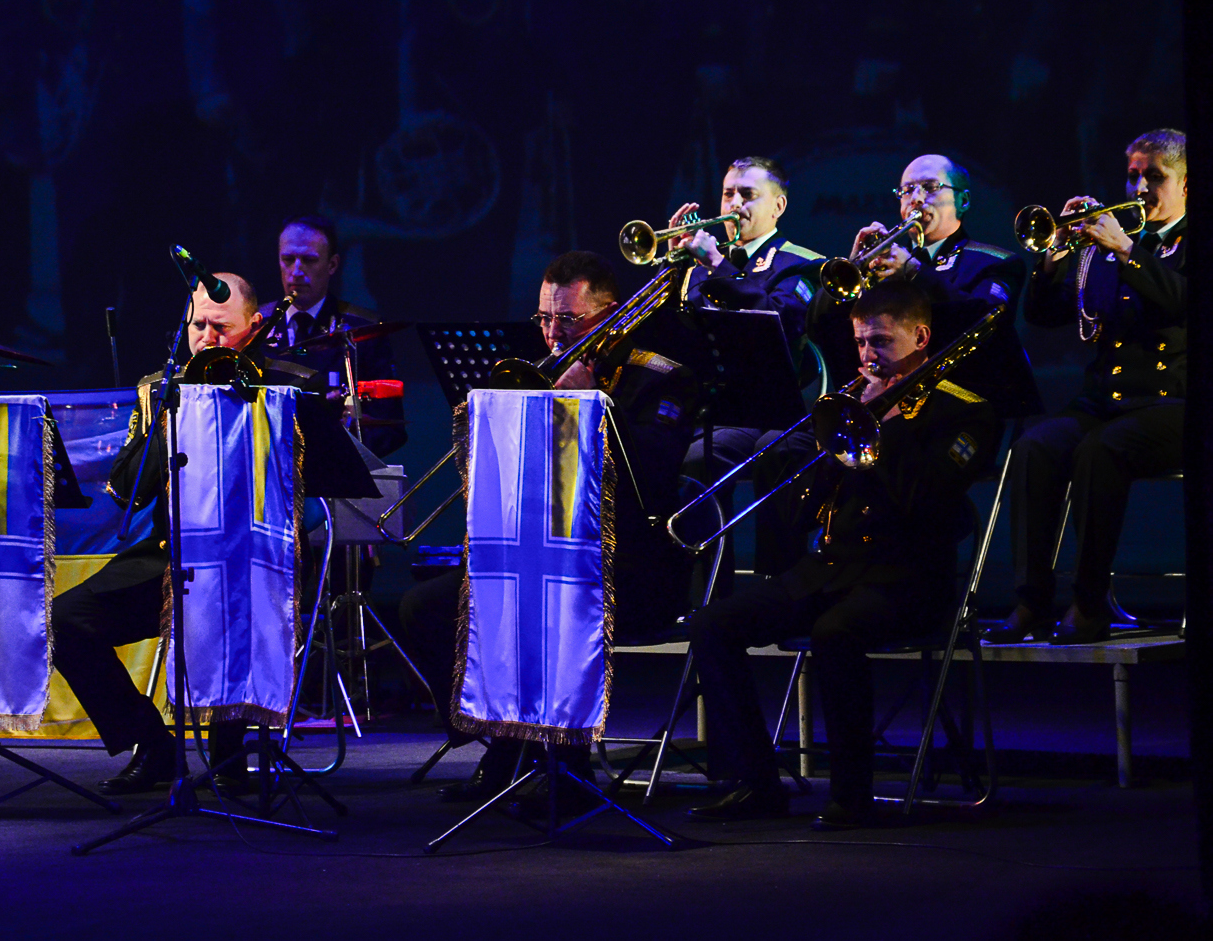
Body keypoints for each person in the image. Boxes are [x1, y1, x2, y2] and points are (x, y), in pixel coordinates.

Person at [686, 282, 999, 829]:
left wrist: (888, 428)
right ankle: (756, 783)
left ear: (921, 336)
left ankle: (851, 795)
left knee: (835, 632)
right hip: (832, 568)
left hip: (908, 577)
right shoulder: (850, 403)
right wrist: (835, 445)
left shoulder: (965, 411)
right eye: (860, 343)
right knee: (713, 624)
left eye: (881, 341)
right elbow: (801, 514)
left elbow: (926, 499)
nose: (868, 356)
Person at [399, 250, 699, 801]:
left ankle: (562, 768)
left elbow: (650, 482)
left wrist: (585, 407)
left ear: (610, 314)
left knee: (544, 609)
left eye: (569, 319)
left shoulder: (658, 378)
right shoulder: (539, 372)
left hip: (627, 565)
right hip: (538, 557)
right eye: (545, 318)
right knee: (425, 608)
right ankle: (502, 741)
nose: (553, 334)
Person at [52, 272, 314, 795]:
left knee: (234, 600)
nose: (207, 337)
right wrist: (175, 413)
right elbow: (127, 489)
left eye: (221, 327)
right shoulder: (159, 390)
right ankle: (152, 745)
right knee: (64, 622)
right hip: (171, 555)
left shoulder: (284, 386)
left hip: (251, 559)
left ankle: (231, 760)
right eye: (199, 326)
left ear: (253, 326)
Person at [986, 129, 1188, 645]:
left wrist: (1127, 250)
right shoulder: (1109, 248)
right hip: (1106, 401)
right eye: (1133, 175)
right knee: (1034, 448)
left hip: (1174, 402)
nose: (1139, 187)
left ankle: (1090, 603)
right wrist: (1055, 253)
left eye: (1154, 177)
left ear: (1188, 184)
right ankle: (1031, 601)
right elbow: (1045, 316)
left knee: (1101, 451)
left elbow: (1181, 302)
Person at [669, 156, 826, 592]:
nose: (734, 204)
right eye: (728, 194)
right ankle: (708, 595)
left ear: (778, 206)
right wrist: (676, 264)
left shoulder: (800, 263)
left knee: (776, 454)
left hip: (783, 414)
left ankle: (780, 589)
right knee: (690, 460)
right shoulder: (697, 270)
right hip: (722, 411)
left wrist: (717, 265)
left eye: (748, 194)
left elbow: (780, 321)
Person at [258, 214, 407, 458]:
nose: (296, 271)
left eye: (309, 260)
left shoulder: (365, 330)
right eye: (287, 259)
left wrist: (342, 442)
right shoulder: (256, 326)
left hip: (337, 468)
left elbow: (390, 426)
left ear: (332, 265)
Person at [841, 154, 1025, 309]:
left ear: (962, 201)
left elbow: (982, 318)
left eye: (930, 187)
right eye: (907, 190)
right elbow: (831, 330)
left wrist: (915, 273)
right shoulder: (883, 265)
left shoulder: (996, 263)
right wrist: (853, 270)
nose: (916, 199)